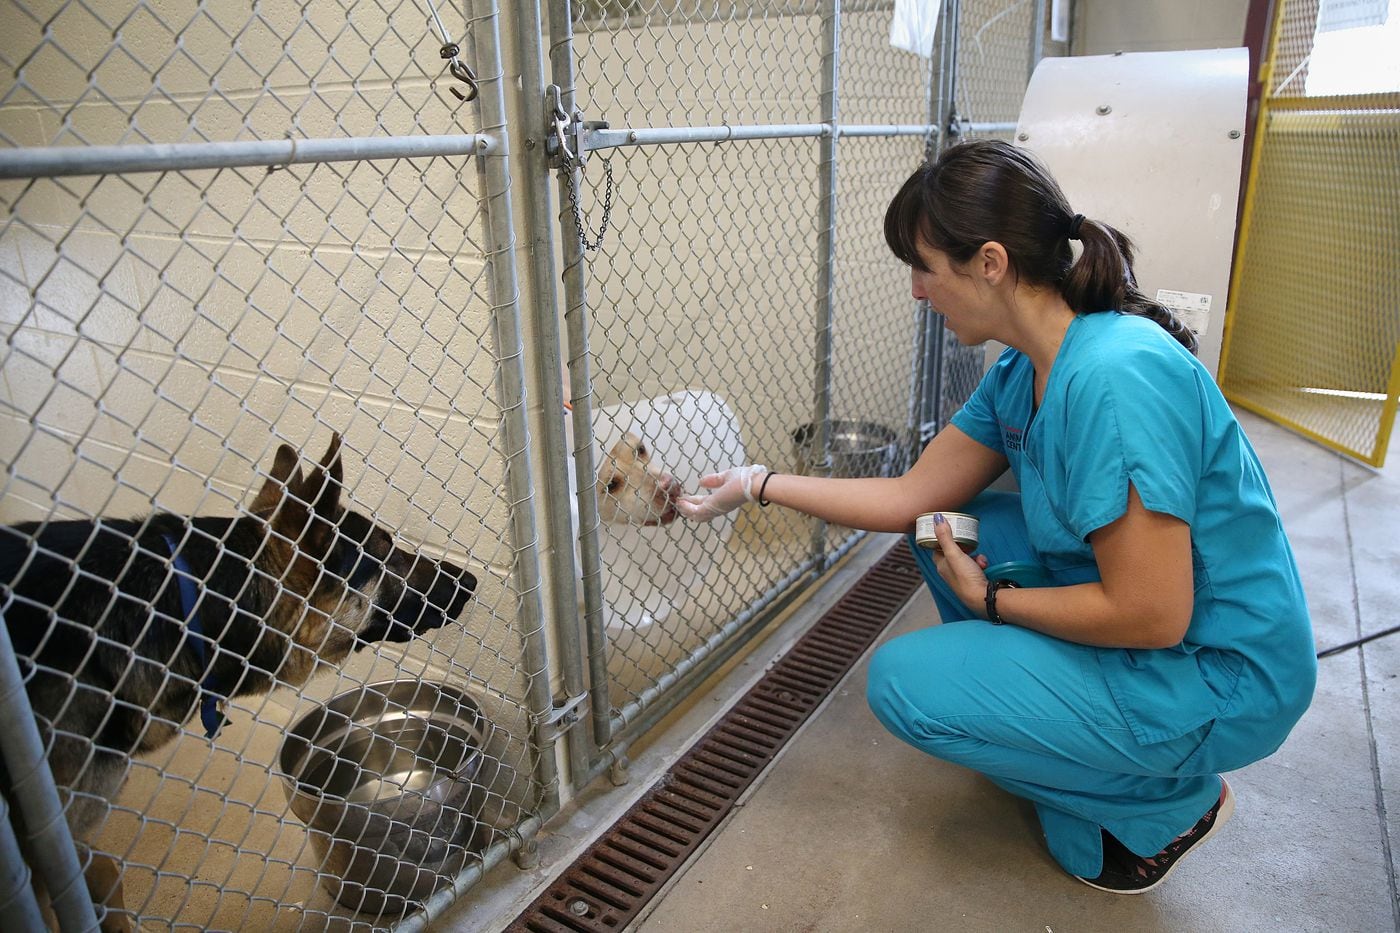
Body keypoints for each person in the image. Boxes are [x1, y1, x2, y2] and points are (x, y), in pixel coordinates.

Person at [675, 138, 1316, 894]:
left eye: (924, 266)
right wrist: (755, 482)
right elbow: (911, 497)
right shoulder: (1025, 364)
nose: (916, 290)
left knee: (904, 686)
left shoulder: (1114, 379)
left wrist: (993, 602)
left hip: (1218, 670)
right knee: (943, 522)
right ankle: (1045, 723)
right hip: (1152, 619)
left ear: (988, 262)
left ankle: (1171, 805)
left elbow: (1153, 613)